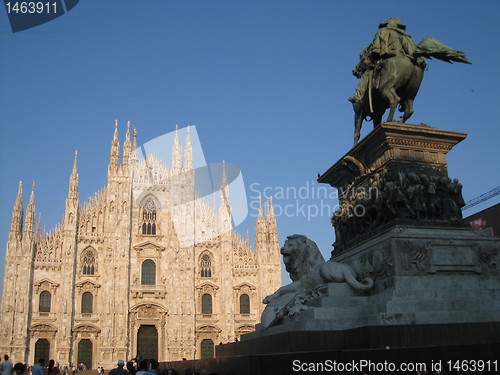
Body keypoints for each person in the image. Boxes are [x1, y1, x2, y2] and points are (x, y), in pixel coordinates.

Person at [349, 17, 419, 104]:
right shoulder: (404, 36)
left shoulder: (383, 31)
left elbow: (376, 50)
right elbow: (412, 51)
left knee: (366, 75)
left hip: (386, 59)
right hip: (402, 56)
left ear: (387, 24)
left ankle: (358, 95)